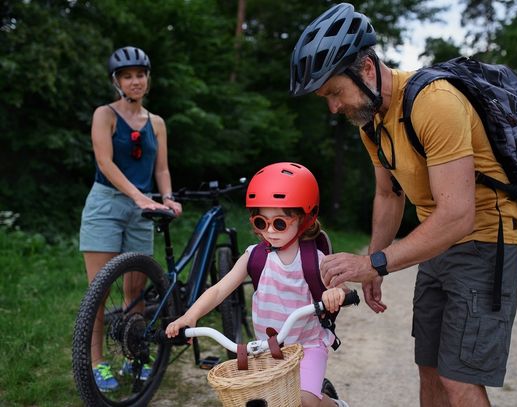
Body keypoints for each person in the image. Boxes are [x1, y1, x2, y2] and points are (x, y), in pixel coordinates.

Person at [290, 3, 517, 407]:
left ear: (365, 69)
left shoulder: (434, 102)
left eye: (334, 93)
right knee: (430, 367)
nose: (332, 107)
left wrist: (374, 264)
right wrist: (374, 261)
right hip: (438, 242)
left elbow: (457, 214)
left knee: (458, 378)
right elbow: (389, 194)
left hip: (485, 241)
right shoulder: (372, 122)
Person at [166, 162, 350, 407]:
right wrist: (190, 316)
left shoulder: (313, 259)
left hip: (307, 346)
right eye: (262, 223)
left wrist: (336, 293)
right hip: (268, 350)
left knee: (304, 402)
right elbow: (220, 289)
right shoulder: (255, 256)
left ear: (304, 218)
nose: (270, 231)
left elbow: (343, 288)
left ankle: (336, 405)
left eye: (280, 223)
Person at [79, 45, 182, 392]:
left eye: (140, 74)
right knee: (99, 289)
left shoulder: (157, 123)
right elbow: (105, 163)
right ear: (117, 81)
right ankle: (96, 363)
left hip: (144, 209)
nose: (135, 81)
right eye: (127, 76)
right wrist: (139, 195)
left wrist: (166, 197)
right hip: (106, 206)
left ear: (147, 79)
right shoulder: (104, 115)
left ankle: (133, 353)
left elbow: (162, 167)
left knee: (135, 291)